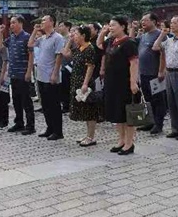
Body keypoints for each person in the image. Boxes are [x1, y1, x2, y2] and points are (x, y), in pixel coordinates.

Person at [97, 16, 140, 155]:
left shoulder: (129, 43)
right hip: (112, 82)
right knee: (117, 113)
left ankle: (129, 143)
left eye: (113, 25)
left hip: (125, 83)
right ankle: (121, 140)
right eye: (109, 25)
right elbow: (99, 45)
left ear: (123, 26)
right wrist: (103, 33)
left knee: (127, 114)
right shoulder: (111, 41)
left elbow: (134, 63)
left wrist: (133, 82)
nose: (111, 27)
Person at [62, 25, 99, 147]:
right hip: (76, 81)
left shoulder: (89, 48)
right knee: (84, 110)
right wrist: (70, 40)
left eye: (76, 34)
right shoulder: (79, 48)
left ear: (83, 35)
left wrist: (85, 83)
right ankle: (88, 135)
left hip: (85, 83)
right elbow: (65, 53)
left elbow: (90, 67)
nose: (74, 36)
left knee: (90, 110)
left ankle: (91, 137)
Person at [29, 15, 64, 139]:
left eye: (44, 20)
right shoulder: (43, 38)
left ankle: (58, 131)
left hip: (51, 76)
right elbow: (30, 44)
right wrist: (35, 30)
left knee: (54, 105)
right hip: (41, 75)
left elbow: (59, 56)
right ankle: (50, 128)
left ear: (52, 22)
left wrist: (55, 73)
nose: (42, 22)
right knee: (45, 105)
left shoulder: (58, 38)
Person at [0, 16, 34, 134]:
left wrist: (29, 72)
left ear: (20, 23)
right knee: (16, 100)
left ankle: (30, 126)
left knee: (26, 101)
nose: (11, 25)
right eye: (11, 23)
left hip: (23, 74)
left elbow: (31, 56)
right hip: (13, 74)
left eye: (14, 22)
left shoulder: (27, 37)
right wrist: (0, 33)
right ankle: (19, 123)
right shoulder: (11, 37)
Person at [134, 13, 168, 135]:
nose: (142, 22)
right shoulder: (144, 36)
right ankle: (150, 121)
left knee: (158, 99)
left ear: (154, 21)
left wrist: (161, 70)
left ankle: (158, 124)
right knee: (147, 99)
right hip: (143, 73)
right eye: (142, 20)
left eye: (145, 20)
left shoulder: (160, 35)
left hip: (155, 73)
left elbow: (164, 54)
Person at [57, 21, 73, 113]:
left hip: (68, 66)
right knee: (61, 87)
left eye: (61, 26)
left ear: (67, 27)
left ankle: (67, 105)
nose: (59, 27)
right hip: (60, 65)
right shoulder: (59, 38)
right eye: (59, 26)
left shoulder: (71, 38)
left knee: (66, 86)